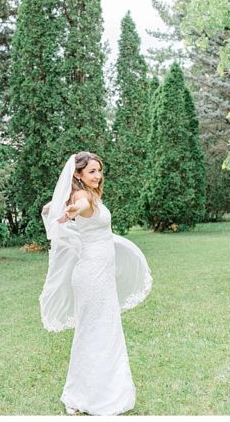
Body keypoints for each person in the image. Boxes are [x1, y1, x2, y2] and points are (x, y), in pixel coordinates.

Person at [40, 152, 153, 415]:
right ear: (77, 174)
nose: (98, 175)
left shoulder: (91, 195)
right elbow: (78, 207)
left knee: (103, 329)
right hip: (92, 275)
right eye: (92, 171)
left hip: (100, 272)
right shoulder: (81, 198)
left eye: (99, 170)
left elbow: (51, 208)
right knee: (95, 330)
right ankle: (88, 396)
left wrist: (59, 207)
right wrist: (71, 210)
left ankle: (95, 391)